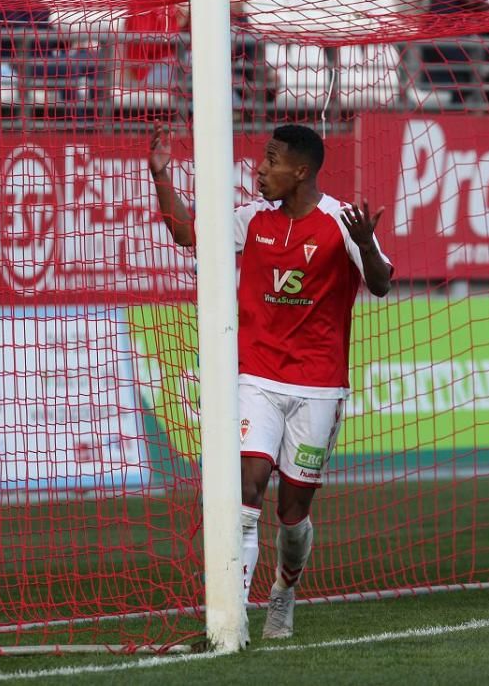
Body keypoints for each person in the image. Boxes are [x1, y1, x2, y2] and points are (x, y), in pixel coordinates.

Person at [147, 122, 393, 638]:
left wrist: (367, 244)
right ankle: (230, 619)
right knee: (248, 486)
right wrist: (161, 177)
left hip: (318, 386)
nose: (260, 168)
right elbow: (188, 233)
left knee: (292, 511)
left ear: (300, 171)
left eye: (272, 159)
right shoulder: (252, 220)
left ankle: (284, 588)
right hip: (255, 375)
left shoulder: (340, 222)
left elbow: (381, 282)